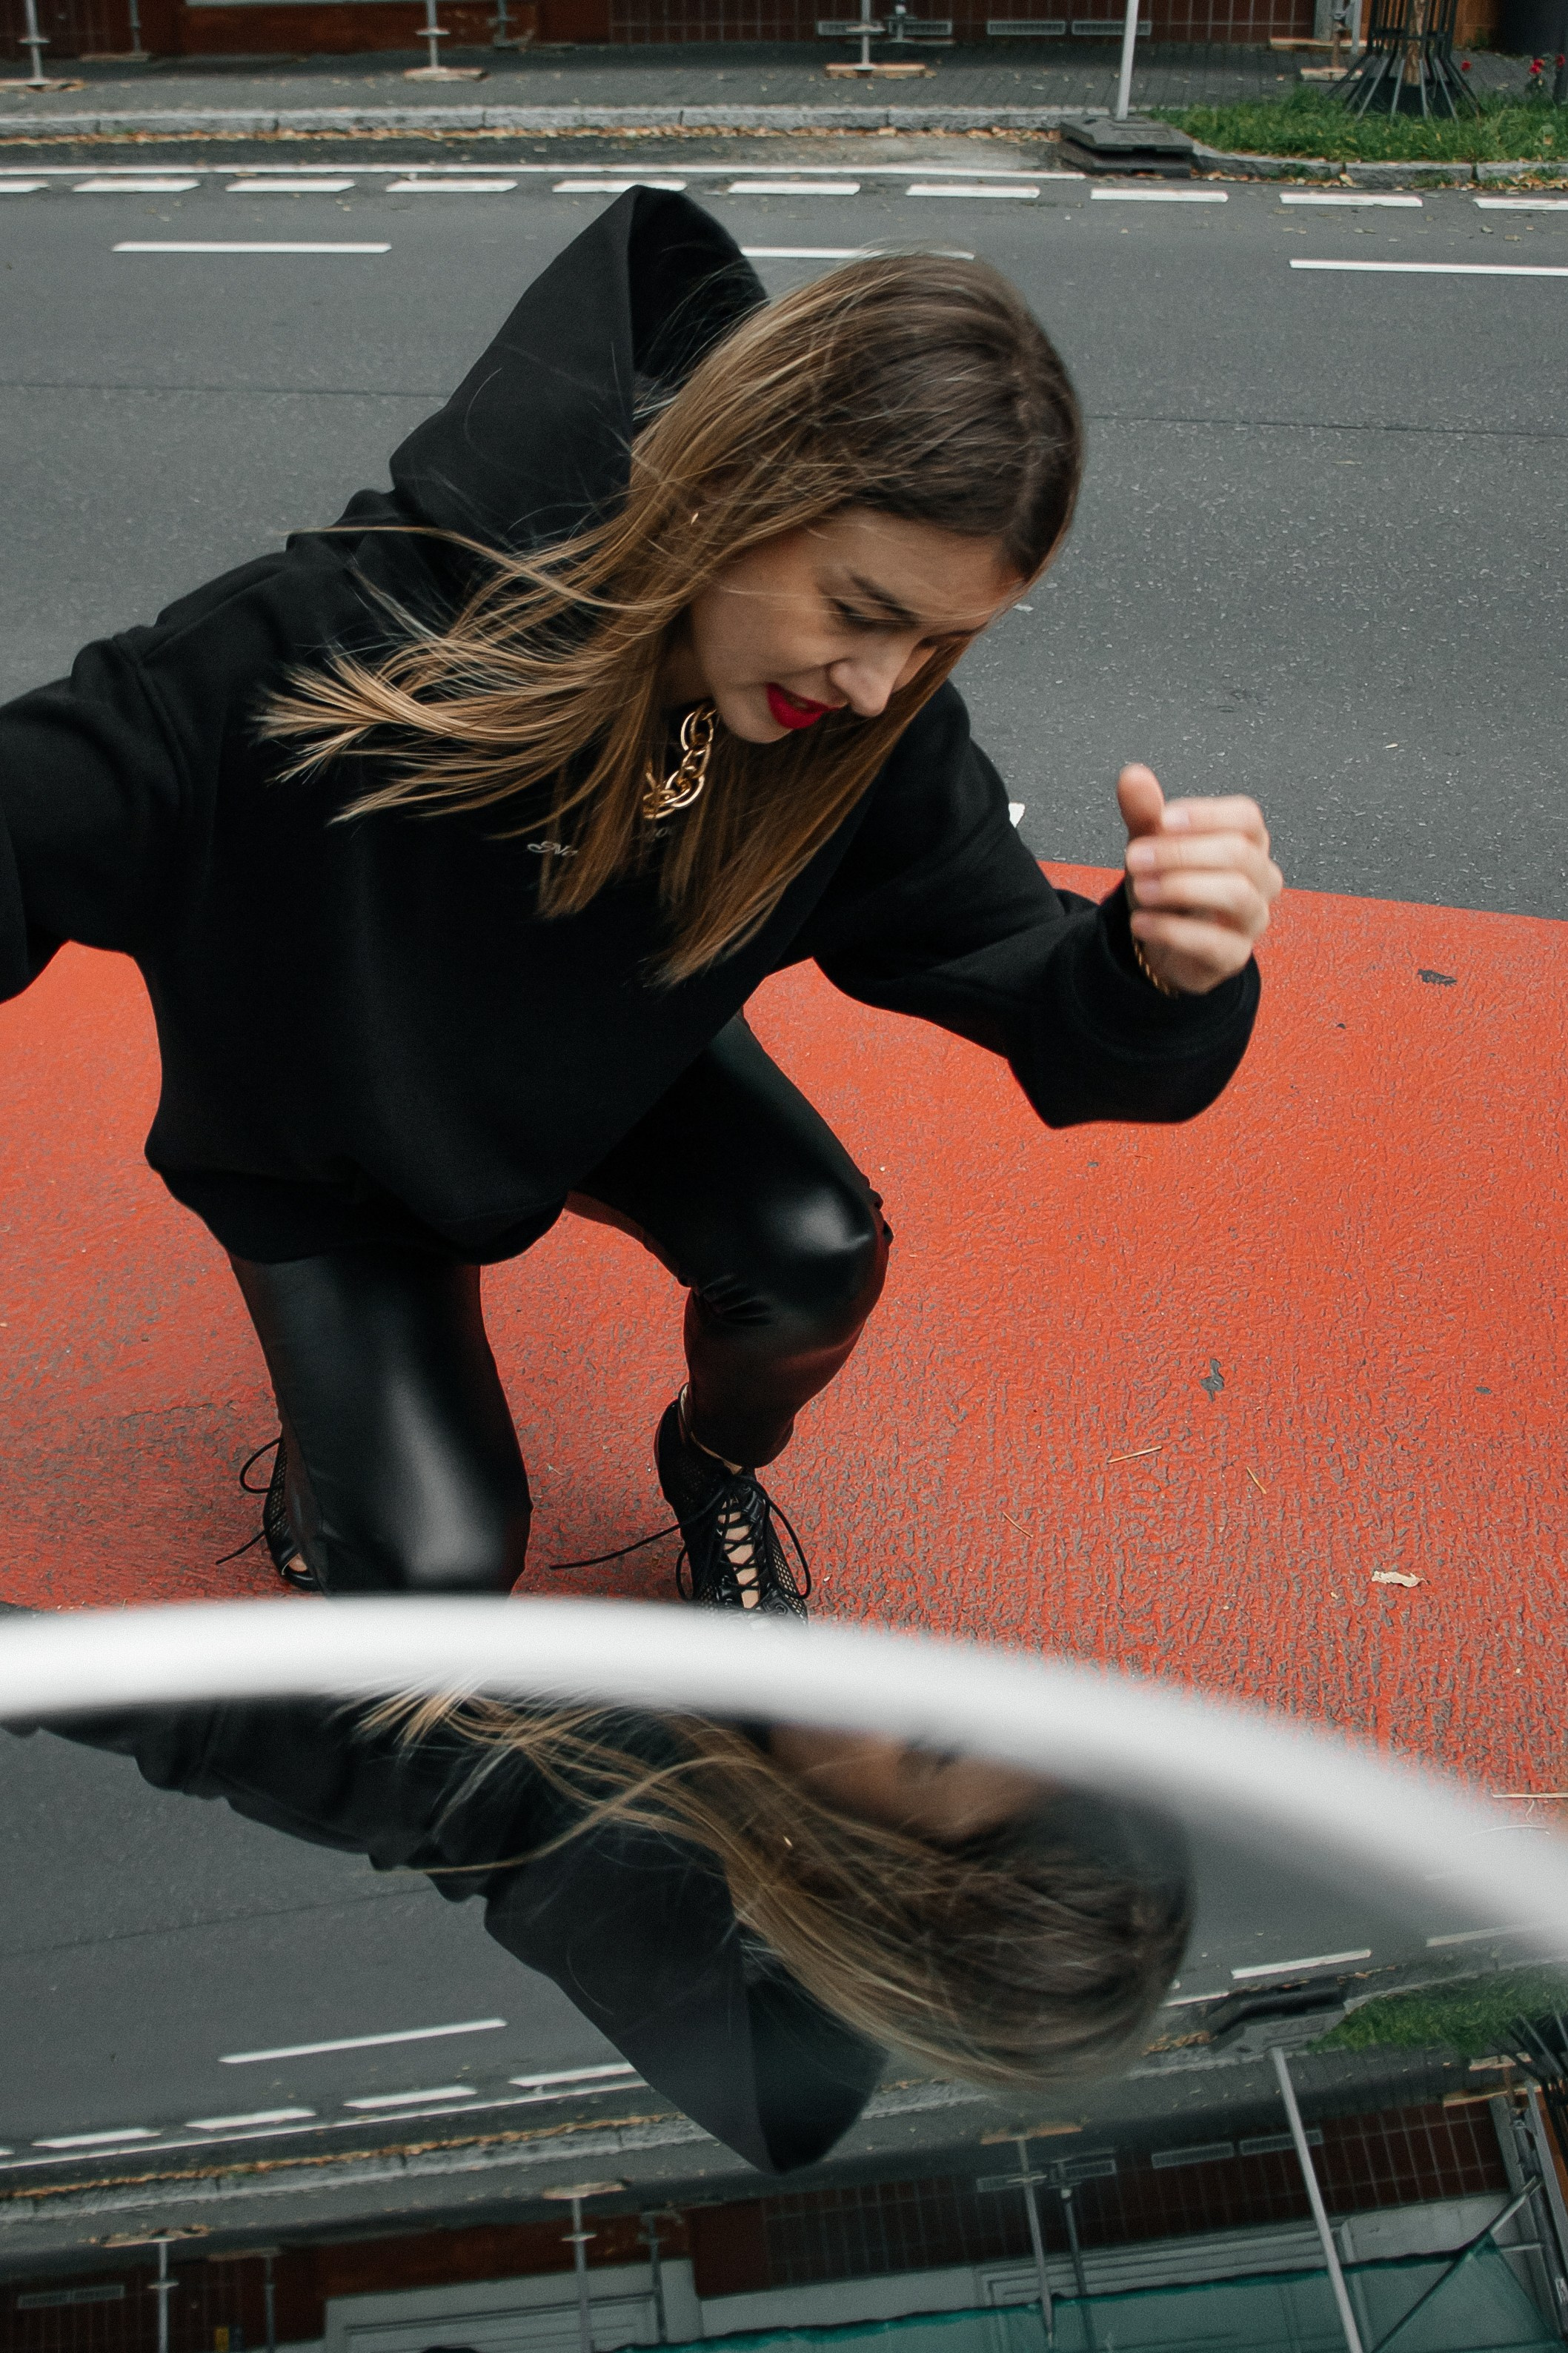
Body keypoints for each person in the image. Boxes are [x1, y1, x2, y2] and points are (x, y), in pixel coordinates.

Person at [0, 190, 1281, 1615]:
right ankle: (336, 1475)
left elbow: (1014, 965)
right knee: (432, 1581)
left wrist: (1161, 973)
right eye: (858, 608)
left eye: (937, 638)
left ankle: (712, 1462)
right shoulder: (317, 646)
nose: (877, 683)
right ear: (727, 493)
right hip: (338, 1132)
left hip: (602, 1064)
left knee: (814, 1258)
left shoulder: (866, 726)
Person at [4, 1645, 1192, 2174]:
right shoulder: (768, 1698)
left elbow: (163, 1698)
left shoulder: (556, 1783)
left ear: (852, 1869)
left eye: (934, 1739)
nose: (945, 1664)